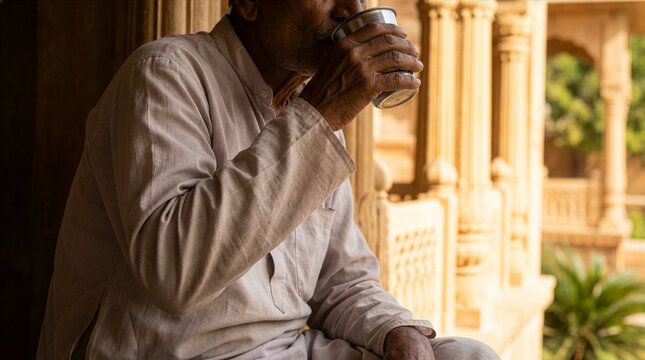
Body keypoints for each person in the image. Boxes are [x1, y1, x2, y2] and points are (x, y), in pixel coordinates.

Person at [38, 0, 501, 359]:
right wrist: (321, 114)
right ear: (248, 1)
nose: (350, 11)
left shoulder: (309, 113)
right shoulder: (166, 73)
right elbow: (174, 274)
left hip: (289, 349)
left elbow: (343, 279)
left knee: (468, 355)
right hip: (171, 352)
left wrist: (395, 330)